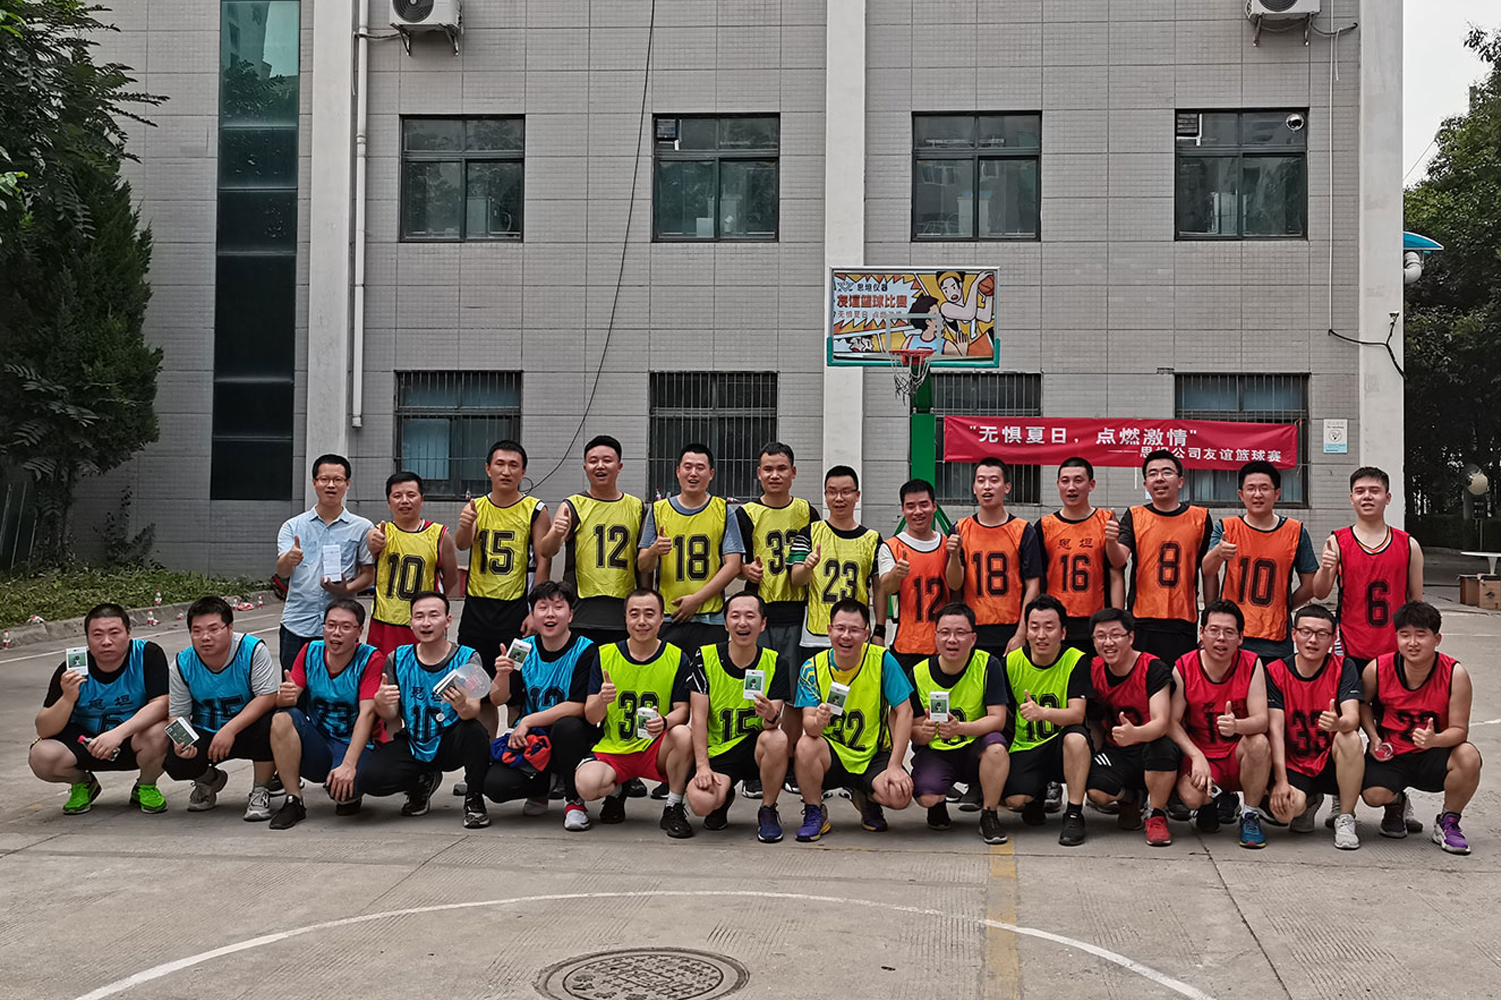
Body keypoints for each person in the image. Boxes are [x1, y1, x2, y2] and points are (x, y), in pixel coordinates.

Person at [361, 591, 492, 829]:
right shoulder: (397, 658)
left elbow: (472, 711)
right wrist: (381, 702)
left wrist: (461, 704)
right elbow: (391, 715)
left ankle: (474, 799)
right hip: (414, 739)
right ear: (411, 622)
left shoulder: (467, 657)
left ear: (448, 621)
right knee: (371, 779)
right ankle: (422, 782)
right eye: (419, 616)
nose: (426, 623)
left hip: (450, 741)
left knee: (475, 733)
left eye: (434, 615)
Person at [1359, 601, 1482, 855]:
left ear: (1437, 639)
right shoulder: (1378, 668)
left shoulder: (1455, 673)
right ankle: (1396, 803)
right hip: (1393, 752)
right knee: (1373, 795)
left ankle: (1448, 821)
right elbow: (1362, 704)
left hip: (1433, 753)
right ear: (1396, 637)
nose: (1412, 643)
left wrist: (1434, 740)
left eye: (1421, 635)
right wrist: (1373, 737)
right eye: (1405, 635)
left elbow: (1460, 730)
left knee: (1468, 756)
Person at [573, 589, 697, 838]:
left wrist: (664, 722)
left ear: (661, 618)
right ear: (625, 618)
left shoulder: (676, 657)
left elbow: (683, 711)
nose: (642, 621)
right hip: (615, 747)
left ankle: (673, 805)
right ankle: (617, 791)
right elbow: (591, 716)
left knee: (683, 734)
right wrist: (602, 700)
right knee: (586, 785)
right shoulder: (605, 654)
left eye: (649, 614)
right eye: (634, 614)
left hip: (655, 748)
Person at [454, 439, 554, 742]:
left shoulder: (535, 509)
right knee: (478, 689)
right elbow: (462, 544)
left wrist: (536, 611)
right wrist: (465, 524)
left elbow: (543, 560)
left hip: (515, 611)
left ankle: (514, 754)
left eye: (513, 465)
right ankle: (481, 758)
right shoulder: (476, 507)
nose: (506, 471)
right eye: (500, 464)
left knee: (516, 691)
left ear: (523, 471)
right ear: (488, 469)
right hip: (477, 610)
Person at [482, 582, 602, 832]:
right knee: (494, 785)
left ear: (570, 615)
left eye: (558, 607)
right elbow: (498, 699)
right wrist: (502, 674)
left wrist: (527, 721)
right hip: (534, 741)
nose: (550, 614)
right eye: (542, 607)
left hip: (573, 737)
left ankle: (574, 801)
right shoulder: (522, 649)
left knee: (567, 727)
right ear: (533, 615)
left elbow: (579, 706)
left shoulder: (587, 650)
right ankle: (541, 788)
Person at [30, 604, 170, 815]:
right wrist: (68, 698)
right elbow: (44, 729)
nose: (106, 641)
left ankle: (146, 786)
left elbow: (162, 704)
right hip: (86, 744)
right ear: (87, 639)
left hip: (132, 739)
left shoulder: (147, 655)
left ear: (128, 633)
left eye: (114, 633)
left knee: (164, 732)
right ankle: (83, 783)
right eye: (97, 635)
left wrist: (118, 734)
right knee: (41, 755)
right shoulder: (72, 668)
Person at [792, 599, 915, 841]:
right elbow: (808, 726)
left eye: (854, 630)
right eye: (840, 628)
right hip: (832, 754)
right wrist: (819, 720)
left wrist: (895, 765)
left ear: (866, 634)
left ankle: (866, 797)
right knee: (806, 745)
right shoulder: (812, 667)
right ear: (829, 630)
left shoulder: (882, 660)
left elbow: (905, 711)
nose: (846, 636)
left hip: (872, 753)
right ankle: (814, 810)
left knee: (900, 795)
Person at [264, 598, 386, 830]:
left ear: (359, 631)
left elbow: (367, 714)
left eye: (345, 627)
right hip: (320, 742)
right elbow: (288, 698)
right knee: (281, 717)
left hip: (353, 744)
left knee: (345, 794)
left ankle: (348, 787)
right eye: (330, 625)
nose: (336, 633)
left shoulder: (371, 658)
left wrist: (349, 765)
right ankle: (293, 800)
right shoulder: (310, 651)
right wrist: (284, 697)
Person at [685, 593, 792, 843]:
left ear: (762, 624)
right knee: (701, 803)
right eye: (735, 616)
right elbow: (698, 718)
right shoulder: (705, 657)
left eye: (750, 616)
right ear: (725, 624)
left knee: (777, 738)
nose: (742, 623)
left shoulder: (776, 662)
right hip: (719, 750)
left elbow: (773, 722)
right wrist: (702, 766)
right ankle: (722, 799)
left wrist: (770, 714)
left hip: (756, 749)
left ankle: (768, 808)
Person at [163, 596, 279, 820]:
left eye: (213, 629)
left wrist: (230, 730)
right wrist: (182, 741)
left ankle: (260, 790)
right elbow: (177, 713)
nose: (205, 637)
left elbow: (267, 696)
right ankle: (208, 780)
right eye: (197, 631)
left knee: (272, 723)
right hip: (206, 729)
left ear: (230, 628)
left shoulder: (252, 650)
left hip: (246, 727)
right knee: (175, 759)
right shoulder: (182, 663)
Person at [1168, 600, 1272, 849]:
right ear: (1201, 632)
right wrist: (1196, 755)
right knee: (1192, 797)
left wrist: (1237, 726)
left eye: (1229, 632)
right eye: (1214, 630)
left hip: (1236, 754)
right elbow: (1171, 722)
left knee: (1259, 743)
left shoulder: (1252, 663)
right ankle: (1211, 802)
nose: (1221, 638)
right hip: (1203, 753)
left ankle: (1250, 814)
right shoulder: (1184, 665)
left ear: (1241, 638)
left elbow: (1262, 720)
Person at [1263, 605, 1364, 850]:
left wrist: (1339, 723)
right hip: (1295, 761)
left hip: (1330, 760)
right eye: (1306, 632)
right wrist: (1280, 781)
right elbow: (1275, 730)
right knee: (1285, 813)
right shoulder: (1275, 671)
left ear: (1333, 637)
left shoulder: (1343, 667)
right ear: (1294, 634)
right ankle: (1308, 802)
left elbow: (1353, 717)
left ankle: (1345, 816)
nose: (1312, 640)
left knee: (1350, 737)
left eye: (1321, 634)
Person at [908, 603, 1010, 844]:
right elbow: (914, 731)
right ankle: (938, 803)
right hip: (939, 751)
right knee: (927, 797)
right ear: (935, 637)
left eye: (960, 633)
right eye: (945, 632)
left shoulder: (988, 665)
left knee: (997, 748)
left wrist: (960, 729)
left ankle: (989, 814)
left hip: (976, 748)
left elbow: (998, 719)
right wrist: (924, 731)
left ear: (973, 638)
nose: (952, 640)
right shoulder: (918, 673)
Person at [1200, 460, 1316, 664]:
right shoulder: (1226, 528)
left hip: (1275, 639)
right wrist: (1218, 552)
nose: (1257, 494)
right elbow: (1207, 569)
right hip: (1232, 634)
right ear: (1241, 494)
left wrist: (1285, 605)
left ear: (1277, 493)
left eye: (1264, 488)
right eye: (1251, 488)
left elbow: (1310, 584)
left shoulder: (1296, 531)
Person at [999, 595, 1092, 846]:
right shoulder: (1011, 662)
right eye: (1034, 627)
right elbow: (1000, 712)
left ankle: (1074, 813)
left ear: (1063, 632)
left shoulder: (1076, 660)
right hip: (1026, 744)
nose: (1041, 635)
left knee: (1076, 738)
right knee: (1013, 801)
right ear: (1026, 631)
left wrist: (1043, 713)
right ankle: (1036, 794)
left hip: (1061, 745)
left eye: (1049, 627)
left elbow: (1077, 714)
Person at [1311, 466, 1424, 670]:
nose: (1367, 496)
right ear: (1352, 498)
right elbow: (1319, 593)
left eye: (1374, 491)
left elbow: (1416, 602)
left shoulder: (1409, 545)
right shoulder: (1337, 542)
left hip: (1394, 644)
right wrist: (1325, 568)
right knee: (1351, 691)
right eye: (1360, 491)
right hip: (1349, 642)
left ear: (1387, 498)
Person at [1084, 608, 1179, 847]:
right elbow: (1093, 719)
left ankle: (1156, 814)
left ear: (1131, 637)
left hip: (1150, 745)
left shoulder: (1152, 667)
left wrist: (1135, 733)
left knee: (1164, 748)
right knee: (1096, 791)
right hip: (1117, 751)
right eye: (1101, 636)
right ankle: (1131, 797)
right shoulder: (1093, 668)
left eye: (1115, 635)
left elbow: (1161, 722)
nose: (1108, 642)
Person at [637, 443, 745, 651]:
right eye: (687, 467)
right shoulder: (658, 510)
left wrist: (696, 600)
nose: (693, 473)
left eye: (700, 467)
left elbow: (733, 566)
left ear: (711, 474)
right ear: (678, 471)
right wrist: (653, 551)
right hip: (669, 616)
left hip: (711, 617)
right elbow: (643, 565)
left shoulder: (723, 510)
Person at [274, 454, 375, 673]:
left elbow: (369, 574)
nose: (331, 485)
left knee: (340, 686)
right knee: (293, 687)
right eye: (324, 479)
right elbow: (282, 570)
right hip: (298, 622)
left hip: (342, 626)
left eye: (337, 479)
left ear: (347, 484)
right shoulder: (293, 526)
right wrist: (289, 559)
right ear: (314, 482)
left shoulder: (362, 527)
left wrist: (346, 589)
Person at [541, 434, 644, 647]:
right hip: (581, 611)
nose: (600, 466)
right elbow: (546, 551)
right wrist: (556, 533)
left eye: (607, 460)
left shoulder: (637, 507)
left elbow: (643, 562)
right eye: (593, 461)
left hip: (623, 611)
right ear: (585, 467)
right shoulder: (572, 505)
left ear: (619, 466)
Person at [1114, 449, 1213, 666]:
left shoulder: (1200, 518)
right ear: (1145, 484)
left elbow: (1208, 571)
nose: (1159, 478)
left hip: (1183, 618)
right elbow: (1119, 559)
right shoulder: (1134, 515)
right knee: (1144, 680)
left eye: (1167, 472)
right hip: (1142, 619)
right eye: (1152, 473)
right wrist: (1111, 541)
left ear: (1180, 481)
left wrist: (1210, 617)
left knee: (1180, 681)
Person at [946, 458, 1044, 659]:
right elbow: (954, 584)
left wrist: (1022, 633)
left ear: (1007, 487)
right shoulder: (959, 529)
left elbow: (1033, 585)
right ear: (974, 487)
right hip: (972, 628)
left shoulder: (1023, 530)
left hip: (1011, 628)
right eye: (981, 480)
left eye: (994, 480)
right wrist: (954, 555)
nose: (987, 486)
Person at [737, 442, 817, 678]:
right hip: (759, 609)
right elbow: (731, 563)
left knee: (792, 682)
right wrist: (745, 569)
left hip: (798, 610)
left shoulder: (807, 511)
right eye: (768, 469)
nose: (774, 475)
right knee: (757, 681)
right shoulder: (746, 513)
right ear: (758, 473)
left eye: (781, 468)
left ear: (793, 472)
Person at [364, 471, 460, 656]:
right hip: (385, 623)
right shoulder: (381, 532)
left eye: (411, 495)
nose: (404, 501)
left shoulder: (439, 535)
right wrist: (373, 542)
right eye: (397, 496)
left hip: (423, 624)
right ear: (388, 502)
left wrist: (432, 603)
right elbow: (371, 542)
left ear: (421, 499)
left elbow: (451, 578)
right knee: (385, 671)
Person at [1036, 458, 1125, 655]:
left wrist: (1117, 619)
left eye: (1078, 480)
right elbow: (1037, 579)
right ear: (1057, 485)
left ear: (1091, 485)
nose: (1071, 487)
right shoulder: (1044, 526)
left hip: (1097, 621)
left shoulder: (1105, 522)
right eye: (1065, 481)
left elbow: (1116, 574)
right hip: (1056, 622)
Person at [879, 479, 951, 675]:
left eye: (923, 504)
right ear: (903, 510)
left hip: (944, 646)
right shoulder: (891, 547)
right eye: (910, 506)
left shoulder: (948, 546)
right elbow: (887, 586)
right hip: (906, 645)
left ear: (934, 506)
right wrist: (896, 573)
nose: (917, 511)